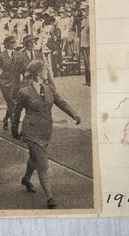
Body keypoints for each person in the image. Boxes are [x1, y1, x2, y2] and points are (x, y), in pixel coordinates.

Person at [15, 60, 80, 209]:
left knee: (35, 157)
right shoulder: (24, 92)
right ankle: (50, 197)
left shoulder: (49, 88)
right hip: (31, 131)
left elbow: (61, 102)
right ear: (38, 73)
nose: (48, 72)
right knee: (42, 164)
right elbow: (16, 111)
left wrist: (74, 114)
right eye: (45, 69)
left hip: (45, 131)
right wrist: (14, 130)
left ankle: (26, 179)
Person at [0, 35, 20, 131]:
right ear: (8, 44)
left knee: (12, 103)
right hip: (5, 83)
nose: (15, 44)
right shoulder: (1, 56)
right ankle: (14, 127)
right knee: (11, 103)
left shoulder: (18, 54)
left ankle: (6, 119)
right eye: (13, 42)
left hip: (16, 83)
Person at [80, 5, 91, 86]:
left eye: (84, 10)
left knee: (90, 63)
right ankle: (87, 80)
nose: (83, 12)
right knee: (86, 64)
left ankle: (91, 80)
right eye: (82, 10)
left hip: (89, 44)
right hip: (84, 44)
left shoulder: (90, 19)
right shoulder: (83, 20)